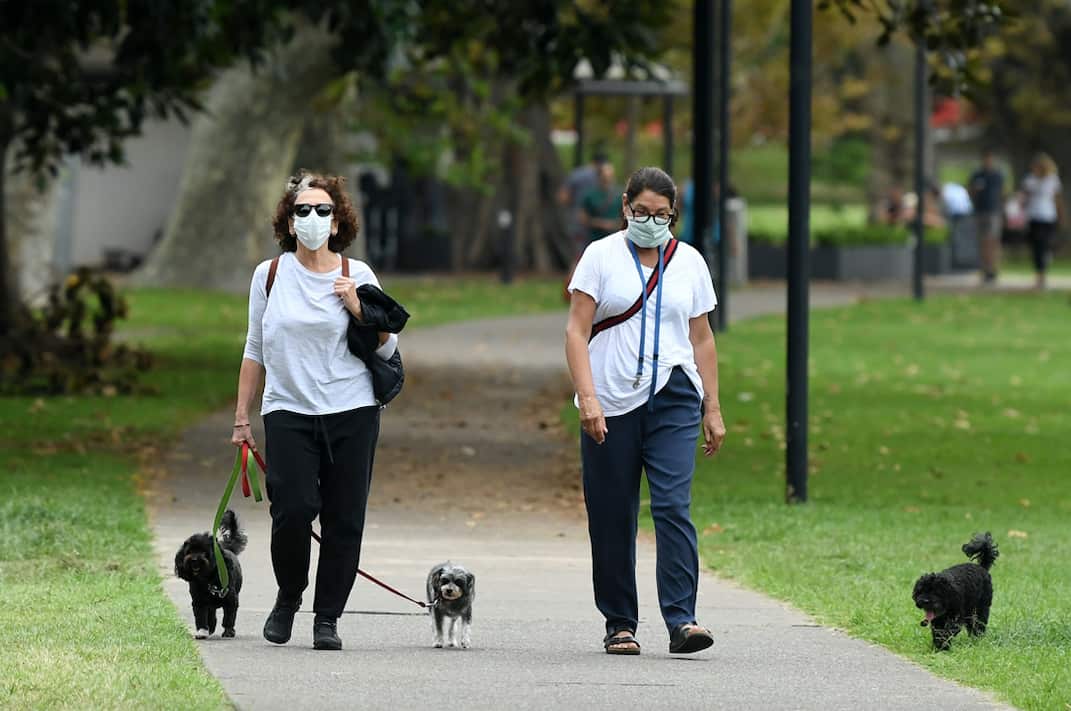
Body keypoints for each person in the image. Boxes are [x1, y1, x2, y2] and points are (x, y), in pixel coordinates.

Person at [564, 166, 727, 656]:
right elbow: (576, 331)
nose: (651, 222)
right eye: (642, 212)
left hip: (675, 394)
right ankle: (619, 622)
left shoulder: (690, 262)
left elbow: (701, 336)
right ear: (624, 207)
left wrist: (712, 406)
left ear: (673, 214)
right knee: (613, 514)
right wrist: (588, 398)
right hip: (611, 398)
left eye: (661, 215)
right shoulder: (600, 256)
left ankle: (683, 620)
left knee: (673, 506)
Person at [232, 171, 397, 651]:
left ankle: (327, 618)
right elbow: (255, 347)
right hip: (288, 410)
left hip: (352, 410)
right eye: (302, 210)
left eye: (322, 210)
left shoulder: (358, 274)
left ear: (337, 219)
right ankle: (288, 597)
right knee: (294, 509)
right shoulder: (270, 275)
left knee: (345, 518)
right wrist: (242, 416)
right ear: (288, 220)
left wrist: (362, 312)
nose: (312, 218)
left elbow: (387, 351)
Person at [1020, 152, 1064, 290]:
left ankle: (1043, 269)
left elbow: (1057, 200)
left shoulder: (1052, 180)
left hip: (1047, 216)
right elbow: (1024, 199)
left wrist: (1062, 216)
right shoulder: (1029, 180)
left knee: (1043, 243)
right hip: (1033, 216)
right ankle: (1040, 273)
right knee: (1036, 245)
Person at [968, 149, 1006, 283]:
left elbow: (1002, 194)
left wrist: (1002, 211)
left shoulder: (997, 175)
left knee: (992, 241)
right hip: (980, 211)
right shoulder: (977, 175)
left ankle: (993, 268)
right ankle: (984, 269)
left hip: (993, 211)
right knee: (982, 241)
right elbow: (970, 191)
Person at [580, 162, 621, 243]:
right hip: (595, 238)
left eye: (610, 175)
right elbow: (582, 218)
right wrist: (600, 223)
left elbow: (626, 217)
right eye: (605, 175)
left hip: (615, 238)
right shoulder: (590, 195)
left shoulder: (620, 194)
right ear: (599, 176)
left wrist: (615, 224)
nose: (608, 178)